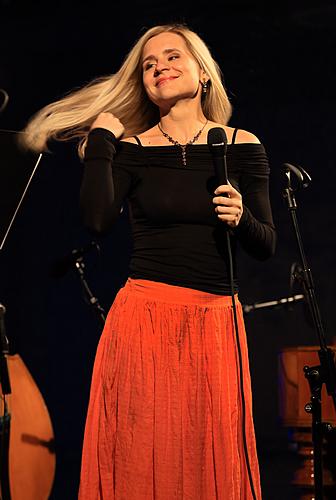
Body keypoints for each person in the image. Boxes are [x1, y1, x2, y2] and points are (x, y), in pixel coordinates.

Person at [22, 23, 276, 500]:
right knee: (141, 457)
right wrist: (101, 142)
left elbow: (266, 244)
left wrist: (240, 219)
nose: (160, 66)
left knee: (210, 461)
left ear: (202, 73)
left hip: (217, 323)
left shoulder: (241, 145)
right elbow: (97, 220)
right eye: (149, 63)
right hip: (144, 322)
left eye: (173, 56)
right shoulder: (133, 152)